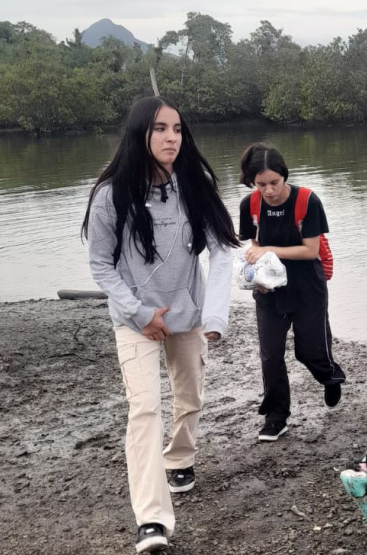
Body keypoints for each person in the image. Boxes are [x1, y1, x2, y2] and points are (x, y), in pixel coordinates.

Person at [82, 96, 240, 553]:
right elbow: (100, 265)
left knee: (189, 394)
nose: (171, 137)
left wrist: (213, 316)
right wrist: (139, 313)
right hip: (135, 319)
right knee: (145, 408)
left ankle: (182, 456)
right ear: (139, 135)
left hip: (186, 313)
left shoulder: (194, 183)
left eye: (177, 129)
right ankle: (152, 520)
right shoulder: (112, 194)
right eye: (160, 129)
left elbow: (222, 251)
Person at [237, 143, 345, 443]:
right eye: (261, 185)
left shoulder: (307, 200)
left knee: (308, 351)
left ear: (285, 176)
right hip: (269, 289)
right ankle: (276, 417)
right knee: (270, 355)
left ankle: (329, 376)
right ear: (252, 183)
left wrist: (267, 250)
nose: (268, 191)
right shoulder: (250, 205)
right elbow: (251, 247)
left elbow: (311, 250)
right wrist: (252, 275)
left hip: (307, 285)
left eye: (274, 183)